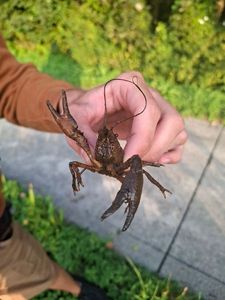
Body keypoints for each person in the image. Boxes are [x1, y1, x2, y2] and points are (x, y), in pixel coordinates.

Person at [0, 33, 187, 300]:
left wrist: (76, 103)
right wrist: (77, 176)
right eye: (104, 137)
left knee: (138, 164)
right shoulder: (92, 151)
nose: (104, 139)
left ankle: (77, 288)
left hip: (2, 230)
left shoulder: (117, 156)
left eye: (107, 138)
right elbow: (75, 164)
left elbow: (6, 83)